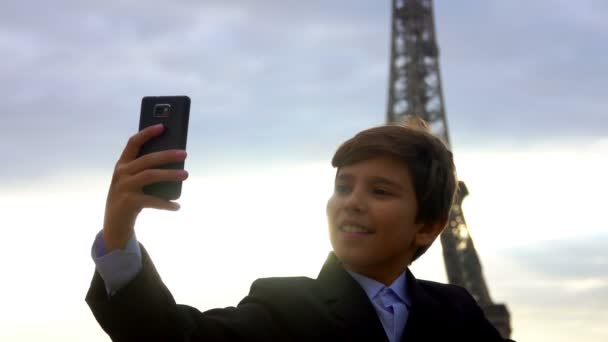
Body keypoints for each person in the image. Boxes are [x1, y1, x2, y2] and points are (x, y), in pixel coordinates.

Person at [86, 121, 512, 341]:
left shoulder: (455, 312)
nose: (353, 200)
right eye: (343, 186)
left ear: (428, 227)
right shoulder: (285, 305)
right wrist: (119, 229)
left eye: (380, 191)